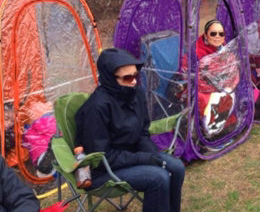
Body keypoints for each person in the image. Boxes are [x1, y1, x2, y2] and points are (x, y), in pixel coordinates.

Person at [75, 48, 185, 212]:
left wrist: (150, 153)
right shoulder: (96, 108)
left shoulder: (136, 93)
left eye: (136, 75)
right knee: (158, 178)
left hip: (131, 155)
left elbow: (142, 131)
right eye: (127, 78)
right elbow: (100, 157)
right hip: (103, 170)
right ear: (110, 79)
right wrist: (144, 159)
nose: (134, 81)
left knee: (177, 167)